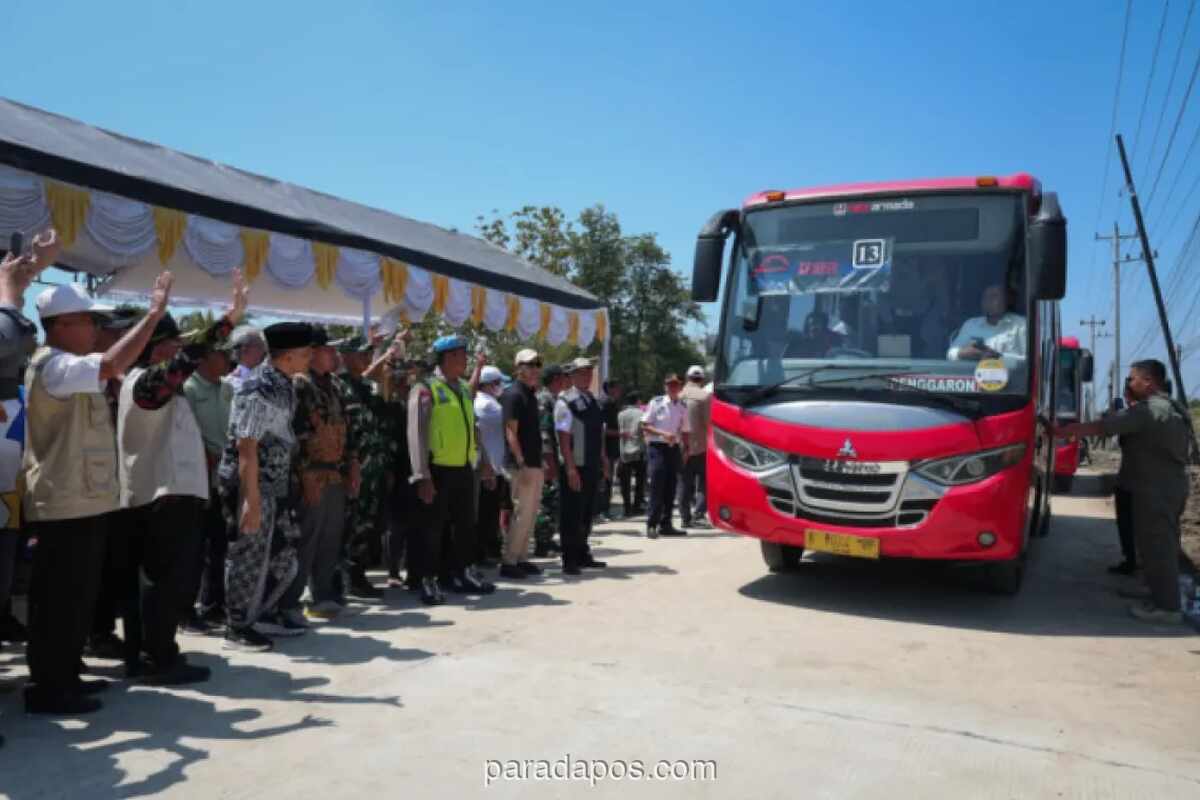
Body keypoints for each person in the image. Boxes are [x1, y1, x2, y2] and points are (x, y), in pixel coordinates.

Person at [23, 271, 173, 714]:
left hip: (85, 500)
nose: (96, 328)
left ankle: (66, 675)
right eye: (88, 320)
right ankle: (50, 687)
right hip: (64, 502)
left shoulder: (73, 369)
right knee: (59, 599)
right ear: (62, 324)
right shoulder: (53, 365)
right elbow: (110, 365)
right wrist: (152, 316)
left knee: (77, 597)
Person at [116, 272, 244, 683]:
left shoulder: (162, 385)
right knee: (162, 584)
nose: (182, 352)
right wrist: (224, 322)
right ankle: (157, 658)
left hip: (171, 497)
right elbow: (179, 368)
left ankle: (151, 653)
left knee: (165, 583)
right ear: (156, 349)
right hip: (162, 499)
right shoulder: (142, 383)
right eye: (174, 344)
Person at [1056, 359, 1191, 623]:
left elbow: (1103, 427)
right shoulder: (1173, 407)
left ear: (1148, 381)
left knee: (1158, 546)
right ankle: (1156, 592)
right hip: (1168, 486)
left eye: (1132, 379)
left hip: (1157, 490)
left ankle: (1167, 608)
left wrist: (1064, 431)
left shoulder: (1148, 411)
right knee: (1158, 544)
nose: (1129, 383)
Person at [219, 322, 314, 652]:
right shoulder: (258, 387)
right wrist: (251, 500)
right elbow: (246, 446)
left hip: (275, 483)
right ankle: (237, 624)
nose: (310, 358)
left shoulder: (285, 383)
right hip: (252, 484)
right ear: (288, 356)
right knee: (249, 556)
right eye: (306, 353)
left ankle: (262, 613)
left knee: (283, 554)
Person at [407, 335, 496, 605]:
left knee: (465, 526)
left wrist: (486, 463)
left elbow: (474, 430)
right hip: (437, 469)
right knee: (431, 529)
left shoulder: (463, 391)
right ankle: (426, 580)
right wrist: (422, 475)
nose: (465, 361)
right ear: (446, 358)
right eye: (460, 356)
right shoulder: (425, 388)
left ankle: (460, 573)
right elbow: (417, 434)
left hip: (463, 469)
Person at [281, 327, 359, 625]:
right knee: (306, 539)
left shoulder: (335, 386)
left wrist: (353, 463)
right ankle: (290, 603)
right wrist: (303, 475)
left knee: (330, 537)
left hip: (334, 472)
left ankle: (322, 595)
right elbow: (295, 435)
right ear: (312, 353)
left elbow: (347, 429)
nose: (335, 355)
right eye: (329, 350)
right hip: (310, 472)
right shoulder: (299, 385)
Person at [182, 334, 236, 630]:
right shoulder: (188, 389)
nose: (227, 359)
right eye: (220, 353)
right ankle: (185, 611)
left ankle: (214, 604)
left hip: (225, 478)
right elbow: (186, 431)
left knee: (220, 545)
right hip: (199, 477)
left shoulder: (228, 388)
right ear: (202, 358)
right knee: (194, 549)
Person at [335, 335, 390, 600]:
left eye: (368, 354)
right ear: (344, 356)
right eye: (361, 354)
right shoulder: (341, 388)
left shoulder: (365, 388)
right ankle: (348, 579)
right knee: (351, 526)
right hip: (353, 472)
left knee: (367, 526)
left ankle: (358, 575)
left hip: (372, 471)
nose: (366, 359)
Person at [554, 357, 609, 575]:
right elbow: (563, 436)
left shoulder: (593, 400)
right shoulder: (565, 401)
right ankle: (570, 559)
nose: (586, 376)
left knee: (586, 512)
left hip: (592, 464)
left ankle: (582, 553)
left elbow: (599, 433)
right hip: (575, 465)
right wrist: (569, 468)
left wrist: (604, 459)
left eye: (589, 372)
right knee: (571, 513)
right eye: (581, 372)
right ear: (572, 376)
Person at [499, 349, 547, 579]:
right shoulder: (513, 394)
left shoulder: (530, 394)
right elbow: (510, 432)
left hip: (534, 462)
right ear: (518, 367)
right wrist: (521, 462)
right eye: (529, 364)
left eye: (537, 364)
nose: (535, 369)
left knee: (530, 513)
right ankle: (509, 560)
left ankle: (521, 557)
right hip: (522, 464)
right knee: (522, 512)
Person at [642, 373, 690, 538]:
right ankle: (652, 524)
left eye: (676, 385)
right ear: (665, 387)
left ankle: (666, 523)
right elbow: (645, 425)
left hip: (673, 448)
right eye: (670, 385)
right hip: (657, 447)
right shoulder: (656, 403)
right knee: (657, 485)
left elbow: (685, 430)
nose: (673, 388)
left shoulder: (682, 406)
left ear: (680, 387)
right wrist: (663, 434)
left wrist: (686, 449)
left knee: (670, 486)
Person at [475, 364, 510, 568]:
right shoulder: (488, 405)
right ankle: (482, 553)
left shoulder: (488, 403)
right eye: (498, 383)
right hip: (489, 467)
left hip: (492, 466)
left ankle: (486, 551)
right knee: (485, 515)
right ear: (488, 384)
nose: (501, 387)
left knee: (488, 513)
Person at [533, 364, 569, 557]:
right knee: (547, 502)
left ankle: (548, 539)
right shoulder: (545, 399)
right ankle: (541, 544)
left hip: (555, 456)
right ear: (556, 379)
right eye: (563, 377)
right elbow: (544, 432)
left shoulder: (554, 398)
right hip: (548, 457)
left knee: (553, 501)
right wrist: (549, 460)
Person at [947, 284, 1026, 361]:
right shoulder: (971, 324)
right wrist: (962, 353)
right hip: (972, 373)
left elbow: (1030, 360)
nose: (988, 300)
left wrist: (998, 357)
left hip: (1009, 374)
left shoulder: (1020, 325)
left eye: (994, 296)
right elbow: (950, 354)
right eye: (985, 297)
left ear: (1006, 300)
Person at [1108, 379, 1138, 577]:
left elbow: (1107, 428)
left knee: (1129, 524)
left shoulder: (1136, 415)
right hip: (1134, 479)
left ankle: (1132, 561)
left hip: (1133, 482)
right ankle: (1133, 559)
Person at [678, 365, 711, 528]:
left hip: (681, 447)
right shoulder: (704, 396)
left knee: (684, 482)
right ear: (702, 379)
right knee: (704, 482)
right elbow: (708, 423)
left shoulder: (678, 395)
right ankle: (699, 513)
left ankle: (685, 517)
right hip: (700, 447)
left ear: (686, 377)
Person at [617, 392, 647, 516]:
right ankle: (637, 506)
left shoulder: (621, 414)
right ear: (637, 401)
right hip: (639, 450)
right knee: (640, 481)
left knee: (625, 482)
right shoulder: (641, 414)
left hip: (624, 451)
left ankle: (627, 507)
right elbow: (644, 431)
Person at [598, 381, 623, 522]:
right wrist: (621, 433)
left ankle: (604, 509)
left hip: (608, 448)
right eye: (617, 387)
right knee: (605, 479)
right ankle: (603, 510)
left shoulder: (606, 402)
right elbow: (603, 429)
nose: (620, 391)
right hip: (606, 448)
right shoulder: (607, 403)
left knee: (606, 479)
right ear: (611, 388)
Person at [225, 325, 267, 394]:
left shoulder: (263, 376)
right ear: (245, 349)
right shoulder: (232, 382)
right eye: (259, 345)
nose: (263, 350)